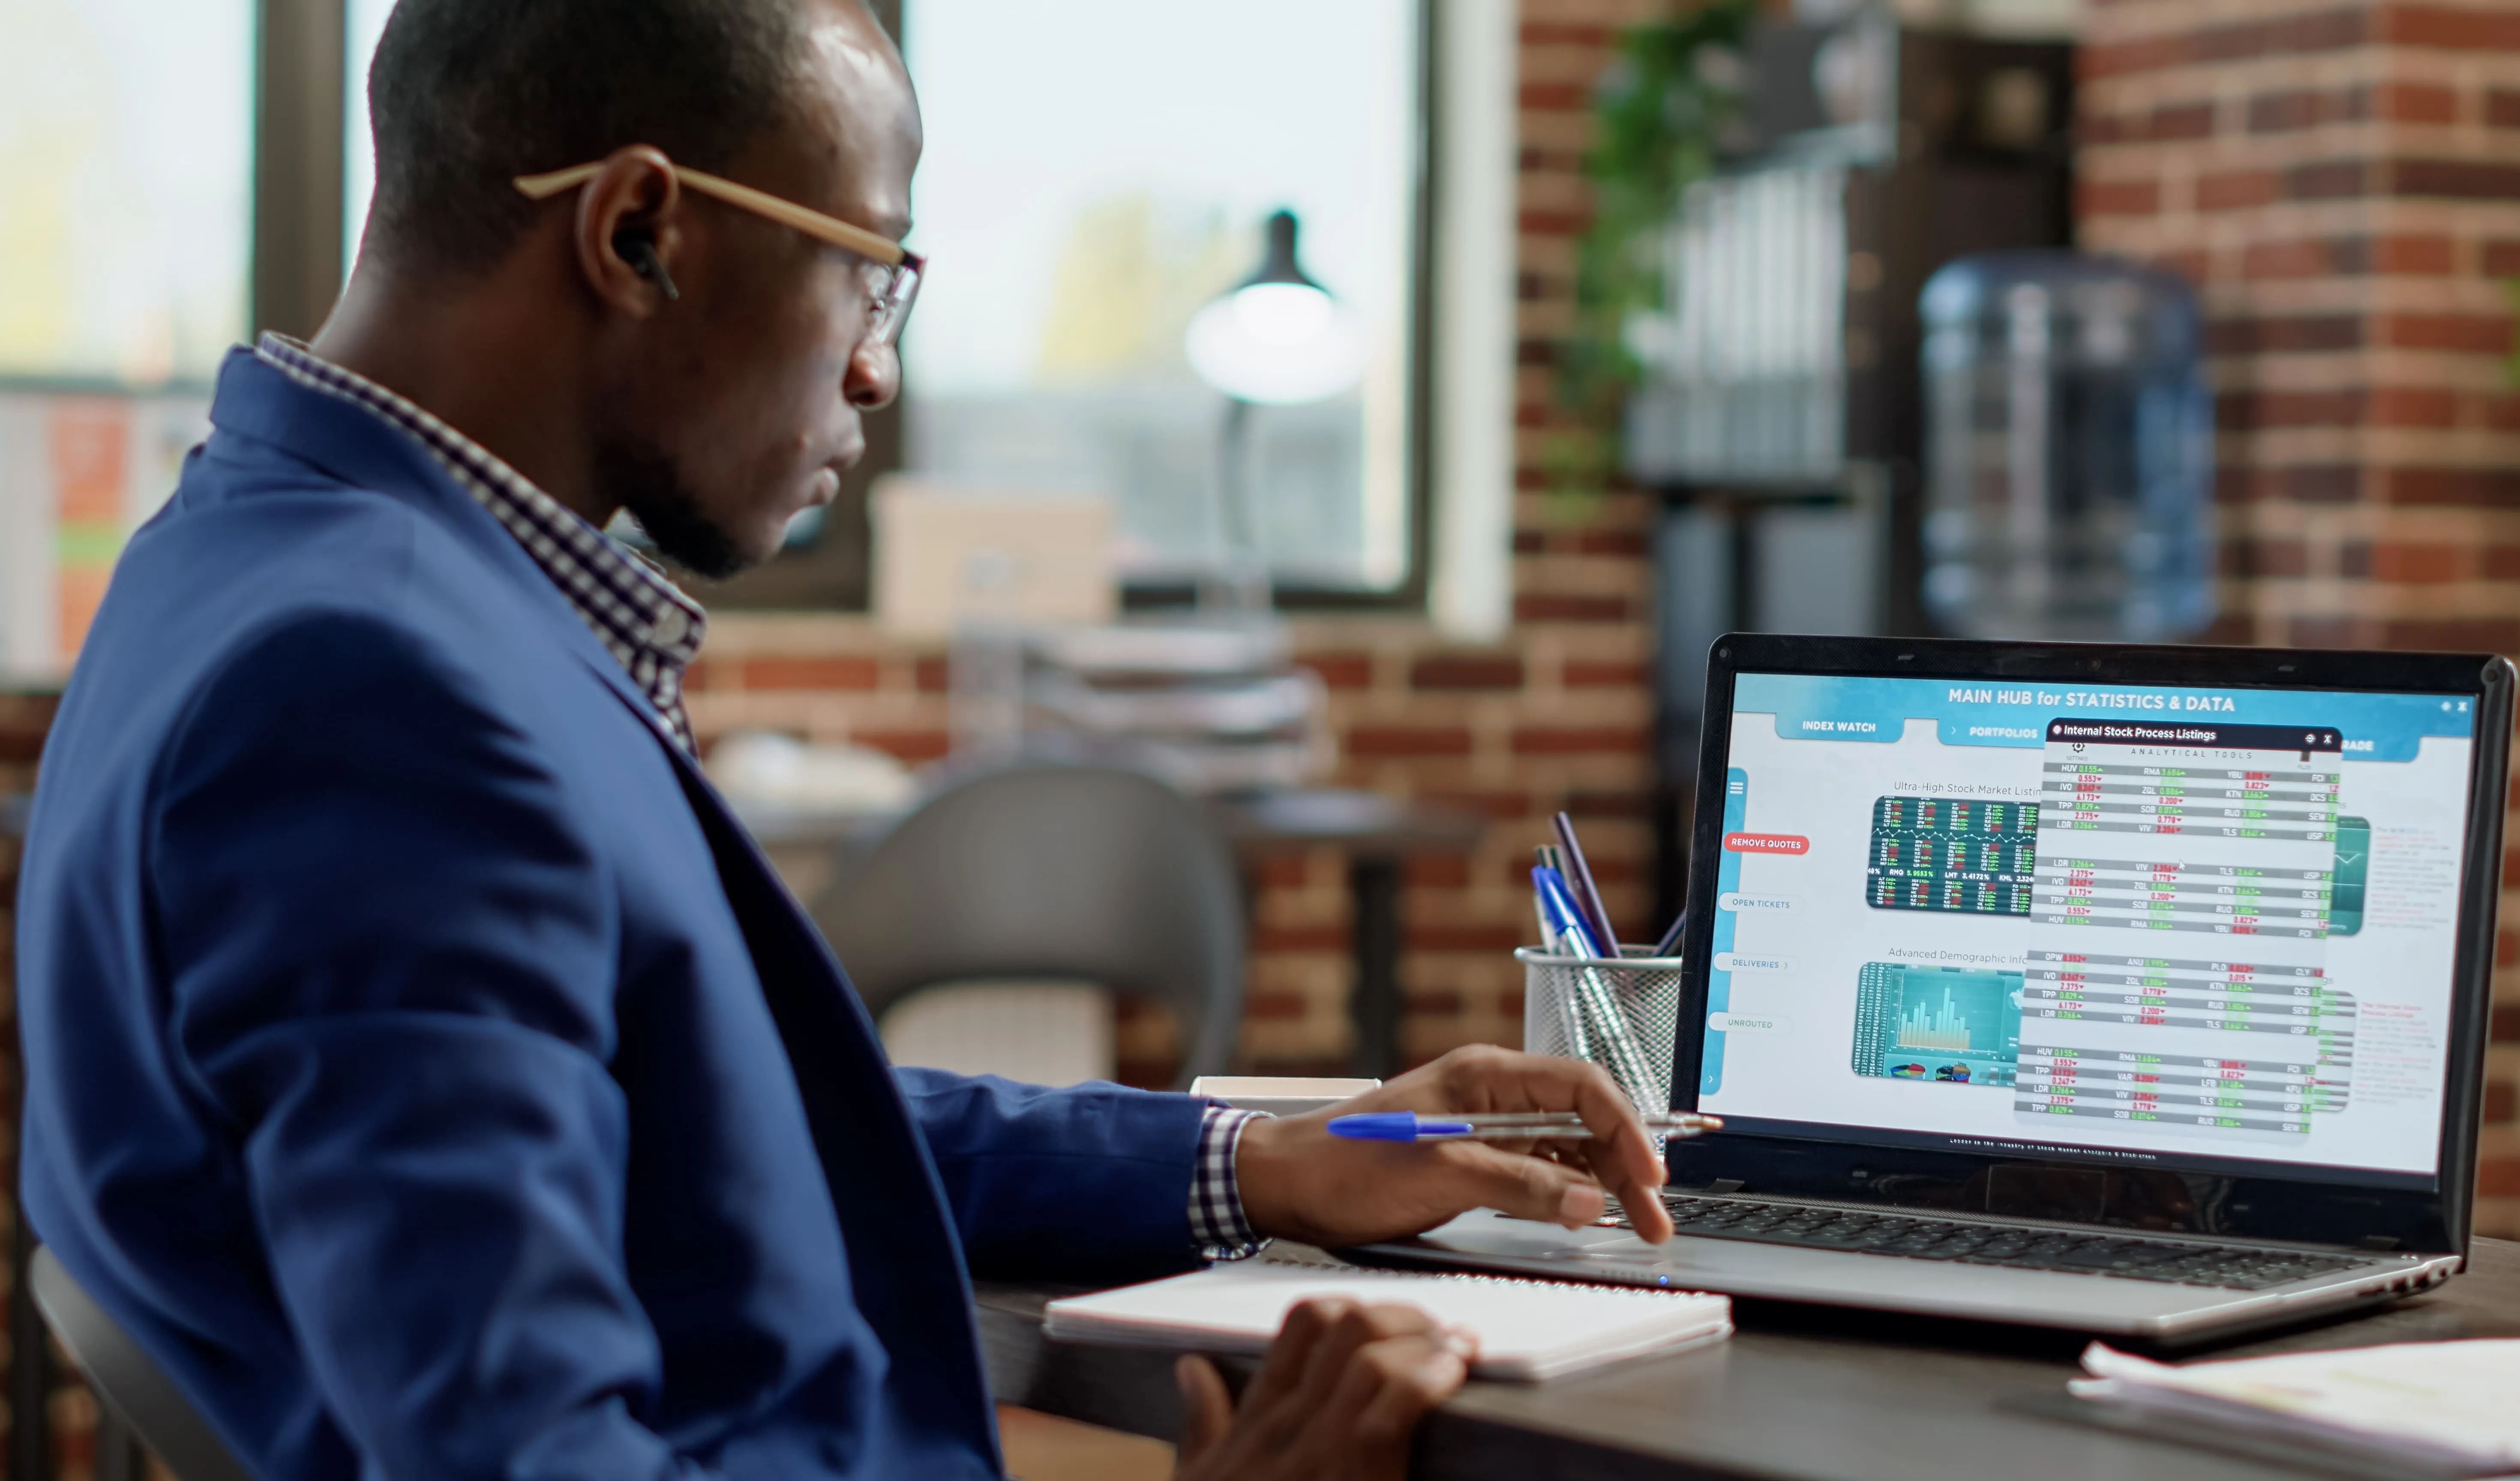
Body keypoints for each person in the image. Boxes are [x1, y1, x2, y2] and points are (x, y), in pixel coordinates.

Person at [12, 1, 1677, 1478]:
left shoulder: (279, 547)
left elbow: (723, 1117)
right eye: (871, 270)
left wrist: (1266, 1159)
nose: (878, 375)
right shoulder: (378, 693)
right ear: (642, 232)